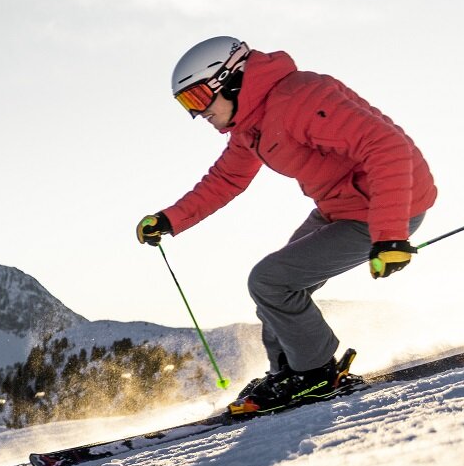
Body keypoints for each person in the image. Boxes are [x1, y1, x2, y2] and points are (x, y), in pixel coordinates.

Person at [136, 36, 436, 415]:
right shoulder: (251, 125)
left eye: (197, 99)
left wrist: (390, 232)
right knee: (273, 288)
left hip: (385, 207)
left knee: (271, 280)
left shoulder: (302, 99)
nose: (197, 114)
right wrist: (169, 219)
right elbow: (226, 179)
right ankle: (289, 372)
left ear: (231, 79)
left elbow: (386, 146)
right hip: (342, 207)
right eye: (186, 105)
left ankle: (314, 374)